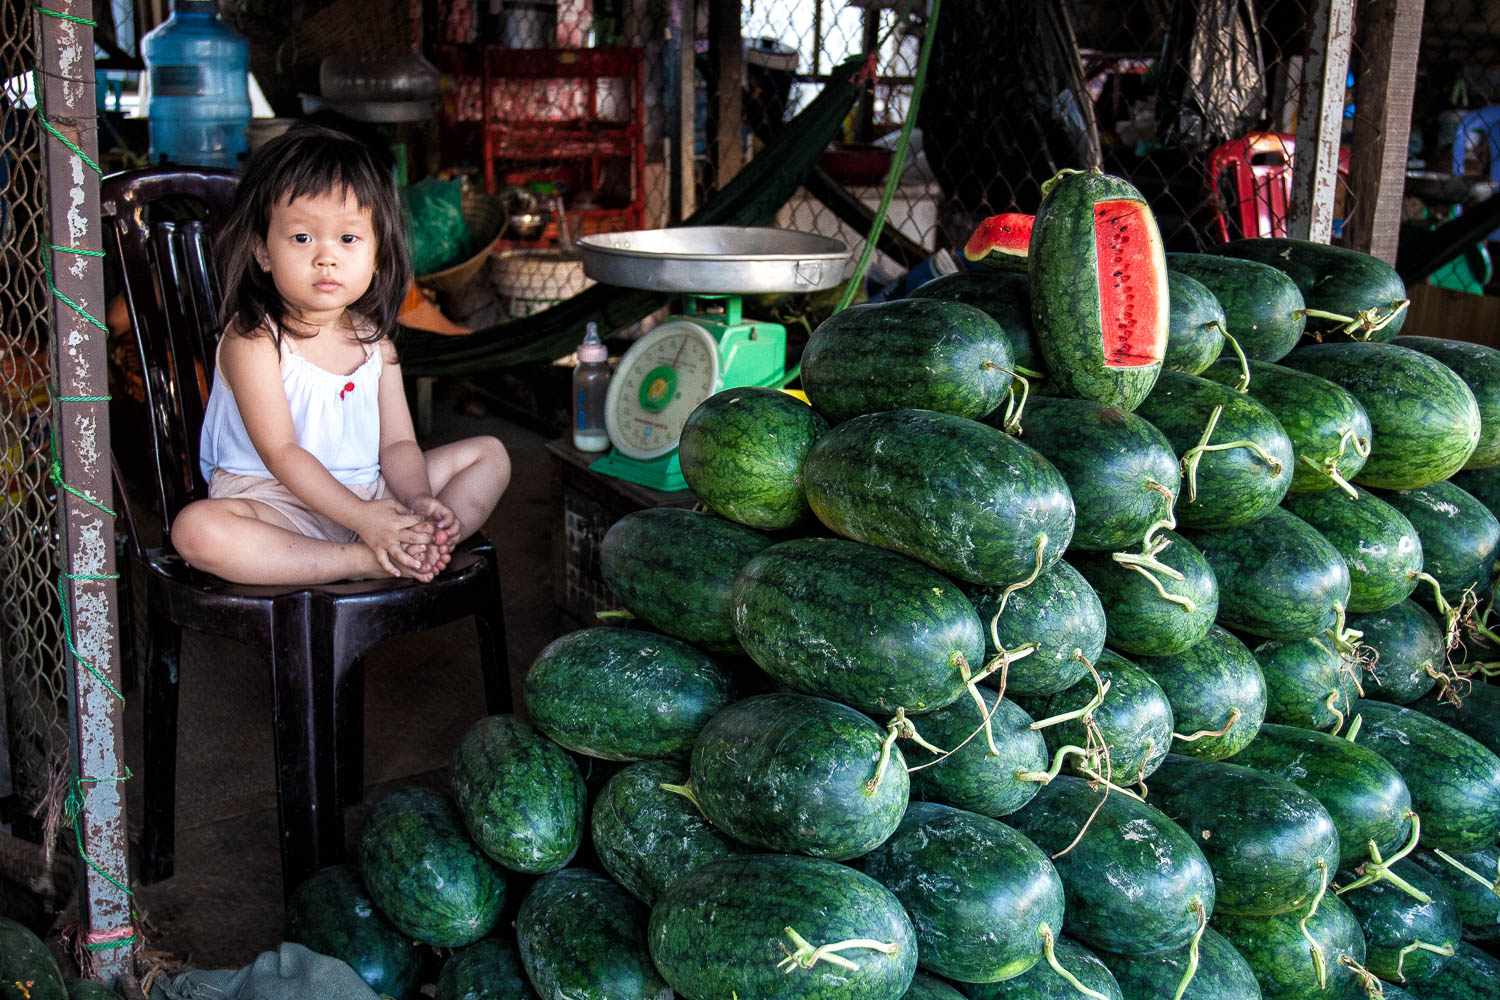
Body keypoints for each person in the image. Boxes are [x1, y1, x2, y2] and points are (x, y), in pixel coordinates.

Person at [171, 124, 510, 585]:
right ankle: (364, 561)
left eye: (348, 239)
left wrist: (415, 500)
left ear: (376, 256)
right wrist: (364, 521)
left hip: (372, 496)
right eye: (302, 238)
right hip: (279, 508)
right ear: (263, 252)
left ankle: (416, 541)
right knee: (197, 532)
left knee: (489, 455)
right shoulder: (253, 340)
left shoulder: (377, 346)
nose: (326, 258)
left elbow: (397, 445)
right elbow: (282, 452)